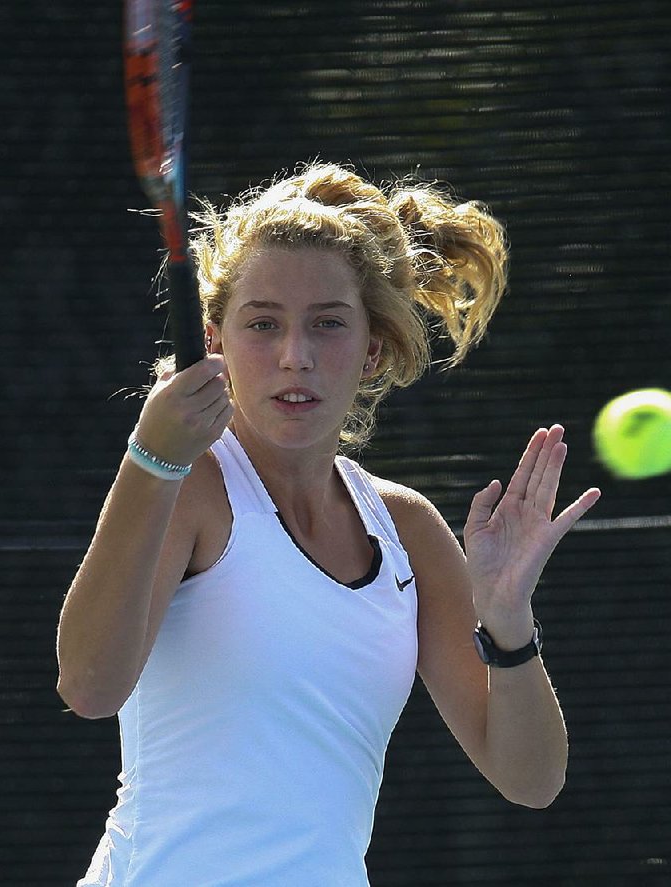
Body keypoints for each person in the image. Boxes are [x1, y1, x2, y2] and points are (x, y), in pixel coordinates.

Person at [57, 161, 601, 886]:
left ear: (371, 347)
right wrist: (152, 458)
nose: (295, 355)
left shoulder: (406, 529)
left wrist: (507, 621)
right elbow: (89, 686)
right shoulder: (192, 487)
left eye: (327, 324)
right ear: (215, 341)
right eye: (263, 324)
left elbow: (530, 778)